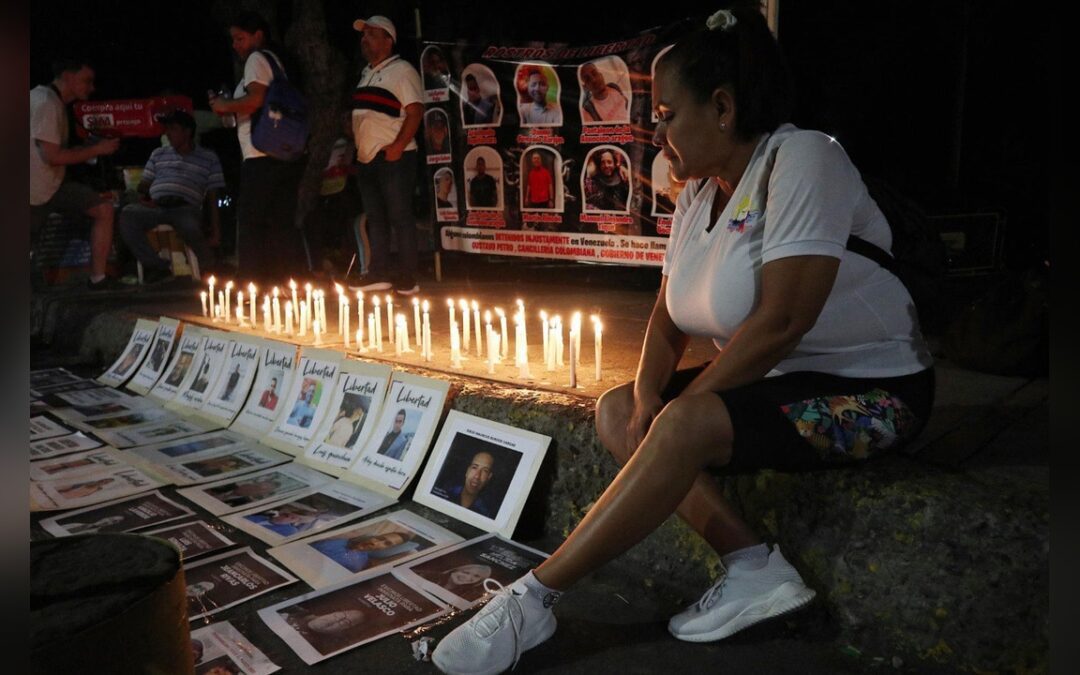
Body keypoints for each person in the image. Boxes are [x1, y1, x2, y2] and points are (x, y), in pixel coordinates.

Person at [432, 8, 935, 673]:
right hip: (777, 379)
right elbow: (668, 316)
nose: (656, 132)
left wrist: (677, 412)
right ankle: (753, 564)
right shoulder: (699, 195)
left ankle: (534, 597)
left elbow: (784, 321)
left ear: (722, 106)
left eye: (667, 114)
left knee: (680, 420)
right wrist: (645, 393)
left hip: (874, 392)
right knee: (618, 409)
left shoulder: (804, 157)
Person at [209, 11, 302, 282]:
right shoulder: (280, 63)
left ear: (258, 35)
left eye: (240, 38)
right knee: (279, 221)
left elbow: (255, 100)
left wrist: (224, 105)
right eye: (233, 40)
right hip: (285, 154)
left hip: (260, 154)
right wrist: (230, 112)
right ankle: (284, 282)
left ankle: (251, 283)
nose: (236, 45)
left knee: (250, 221)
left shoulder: (256, 59)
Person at [30, 58, 123, 291]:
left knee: (103, 209)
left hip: (53, 184)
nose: (91, 88)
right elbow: (53, 156)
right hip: (31, 189)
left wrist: (89, 148)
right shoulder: (46, 103)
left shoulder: (55, 103)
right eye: (86, 81)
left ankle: (98, 278)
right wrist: (97, 149)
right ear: (68, 76)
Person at [349, 15, 424, 296]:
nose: (364, 39)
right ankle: (379, 273)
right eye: (363, 34)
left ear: (388, 39)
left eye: (371, 34)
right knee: (376, 217)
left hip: (394, 156)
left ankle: (408, 277)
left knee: (399, 216)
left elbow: (415, 112)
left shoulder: (402, 70)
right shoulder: (366, 72)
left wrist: (396, 146)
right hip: (367, 157)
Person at [117, 110, 224, 284]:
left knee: (188, 224)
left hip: (185, 207)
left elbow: (213, 194)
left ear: (187, 132)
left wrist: (216, 232)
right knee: (127, 215)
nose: (168, 133)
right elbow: (144, 185)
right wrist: (148, 193)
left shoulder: (207, 157)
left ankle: (209, 267)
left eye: (173, 129)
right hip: (157, 205)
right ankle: (157, 266)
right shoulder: (158, 154)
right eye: (167, 129)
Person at [310, 530, 418, 573]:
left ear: (385, 549)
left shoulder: (358, 564)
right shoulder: (341, 539)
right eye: (380, 538)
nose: (375, 543)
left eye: (386, 544)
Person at [439, 450, 498, 518]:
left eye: (485, 471)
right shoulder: (446, 492)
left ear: (489, 477)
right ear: (467, 471)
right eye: (474, 467)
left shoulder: (485, 513)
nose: (477, 476)